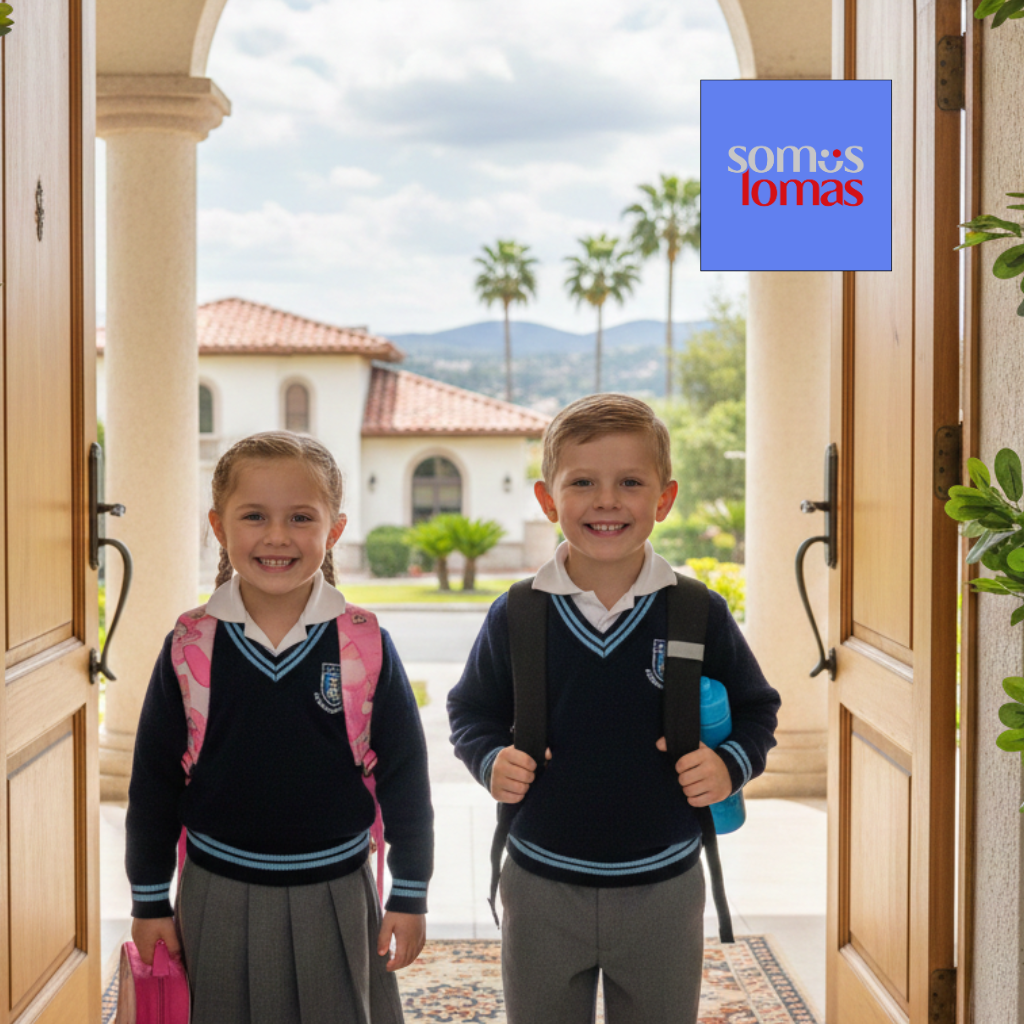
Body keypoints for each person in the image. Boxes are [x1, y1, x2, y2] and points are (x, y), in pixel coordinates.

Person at [447, 394, 780, 1024]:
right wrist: (490, 758)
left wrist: (731, 765)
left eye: (630, 482)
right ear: (548, 500)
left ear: (664, 499)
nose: (607, 500)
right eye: (582, 483)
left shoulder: (695, 610)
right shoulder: (518, 614)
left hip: (665, 886)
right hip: (540, 882)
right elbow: (471, 710)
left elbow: (758, 706)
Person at [125, 431, 433, 1024]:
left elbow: (405, 776)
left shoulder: (363, 643)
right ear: (218, 526)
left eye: (300, 517)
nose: (276, 536)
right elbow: (154, 782)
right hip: (217, 894)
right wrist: (148, 899)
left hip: (339, 895)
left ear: (334, 529)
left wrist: (411, 888)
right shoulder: (192, 644)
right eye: (254, 516)